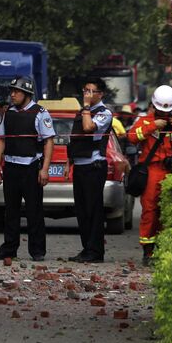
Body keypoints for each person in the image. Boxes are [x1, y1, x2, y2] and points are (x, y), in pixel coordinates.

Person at [127, 85, 172, 266]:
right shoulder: (146, 121)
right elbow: (132, 137)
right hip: (152, 171)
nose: (164, 113)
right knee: (149, 211)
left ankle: (167, 248)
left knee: (169, 212)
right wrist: (152, 126)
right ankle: (148, 252)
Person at [0, 76, 55, 262]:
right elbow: (2, 140)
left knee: (34, 211)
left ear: (26, 93)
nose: (12, 95)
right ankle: (9, 248)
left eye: (16, 91)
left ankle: (37, 250)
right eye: (12, 91)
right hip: (11, 167)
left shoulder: (40, 113)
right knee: (11, 210)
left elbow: (49, 141)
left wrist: (45, 169)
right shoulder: (9, 112)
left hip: (30, 168)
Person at [65, 78, 113, 263]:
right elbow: (75, 138)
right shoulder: (83, 112)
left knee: (94, 211)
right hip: (80, 165)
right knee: (82, 210)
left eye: (91, 91)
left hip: (94, 167)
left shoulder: (104, 113)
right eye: (85, 90)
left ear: (100, 94)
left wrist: (85, 108)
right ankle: (87, 249)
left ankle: (96, 252)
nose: (86, 94)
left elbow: (88, 128)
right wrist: (68, 163)